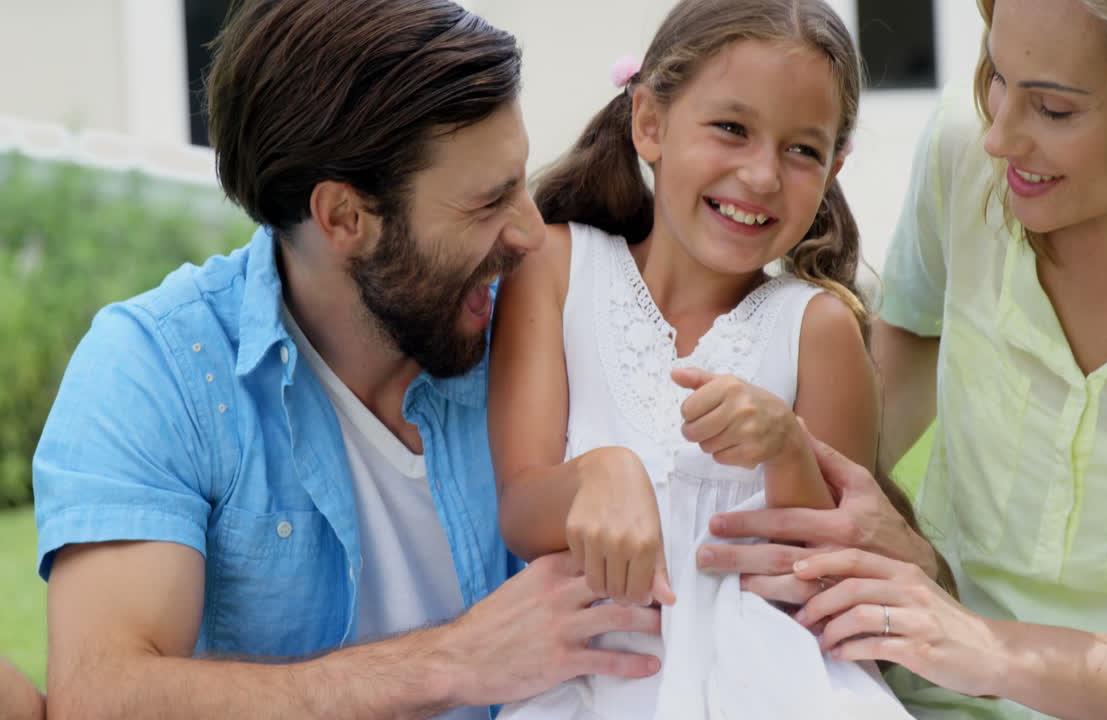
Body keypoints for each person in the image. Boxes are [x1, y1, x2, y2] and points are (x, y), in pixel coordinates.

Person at [32, 2, 663, 719]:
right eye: (487, 204)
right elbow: (104, 697)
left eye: (519, 182)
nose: (528, 231)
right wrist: (452, 662)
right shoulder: (159, 371)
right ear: (343, 219)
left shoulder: (558, 320)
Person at [780, 0, 1107, 717]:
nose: (1000, 137)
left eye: (1052, 109)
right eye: (996, 75)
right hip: (924, 690)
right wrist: (876, 509)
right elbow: (913, 333)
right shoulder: (966, 148)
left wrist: (989, 649)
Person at [487, 1, 924, 717]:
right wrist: (602, 472)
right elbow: (520, 512)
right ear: (649, 123)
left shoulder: (817, 328)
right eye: (731, 128)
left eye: (802, 150)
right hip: (597, 680)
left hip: (776, 687)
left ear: (834, 169)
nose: (760, 175)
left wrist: (787, 449)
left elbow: (827, 577)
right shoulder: (558, 271)